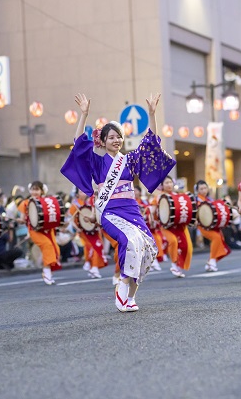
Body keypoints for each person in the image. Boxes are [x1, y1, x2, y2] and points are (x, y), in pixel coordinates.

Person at [61, 92, 175, 312]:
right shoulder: (96, 161)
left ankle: (130, 296)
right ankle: (122, 282)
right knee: (129, 240)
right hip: (110, 212)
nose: (116, 140)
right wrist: (83, 115)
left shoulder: (130, 160)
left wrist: (152, 114)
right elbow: (78, 146)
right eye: (111, 137)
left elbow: (151, 143)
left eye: (118, 137)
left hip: (131, 210)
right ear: (102, 141)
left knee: (148, 248)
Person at [18, 181, 62, 285]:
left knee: (55, 249)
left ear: (42, 191)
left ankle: (49, 272)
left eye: (37, 189)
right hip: (35, 230)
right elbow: (22, 218)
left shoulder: (47, 201)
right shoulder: (25, 203)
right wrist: (21, 220)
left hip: (48, 229)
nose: (34, 192)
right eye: (33, 189)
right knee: (47, 245)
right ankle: (46, 272)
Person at [68, 188, 107, 279]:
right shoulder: (75, 204)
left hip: (94, 229)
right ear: (77, 193)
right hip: (83, 231)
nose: (83, 193)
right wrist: (77, 228)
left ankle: (91, 265)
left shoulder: (91, 201)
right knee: (92, 247)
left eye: (84, 191)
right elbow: (72, 219)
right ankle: (93, 267)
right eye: (81, 191)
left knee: (97, 246)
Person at [160, 176, 193, 278]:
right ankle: (174, 265)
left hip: (179, 225)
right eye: (166, 183)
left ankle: (179, 266)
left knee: (187, 247)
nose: (169, 185)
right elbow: (154, 211)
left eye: (170, 182)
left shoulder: (178, 196)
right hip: (166, 227)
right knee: (173, 241)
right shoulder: (159, 197)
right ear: (162, 186)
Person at [195, 180, 231, 272]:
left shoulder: (209, 200)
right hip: (202, 226)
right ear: (197, 190)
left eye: (205, 188)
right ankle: (212, 261)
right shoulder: (196, 200)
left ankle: (211, 262)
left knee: (219, 238)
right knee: (216, 238)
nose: (203, 190)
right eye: (201, 189)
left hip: (212, 225)